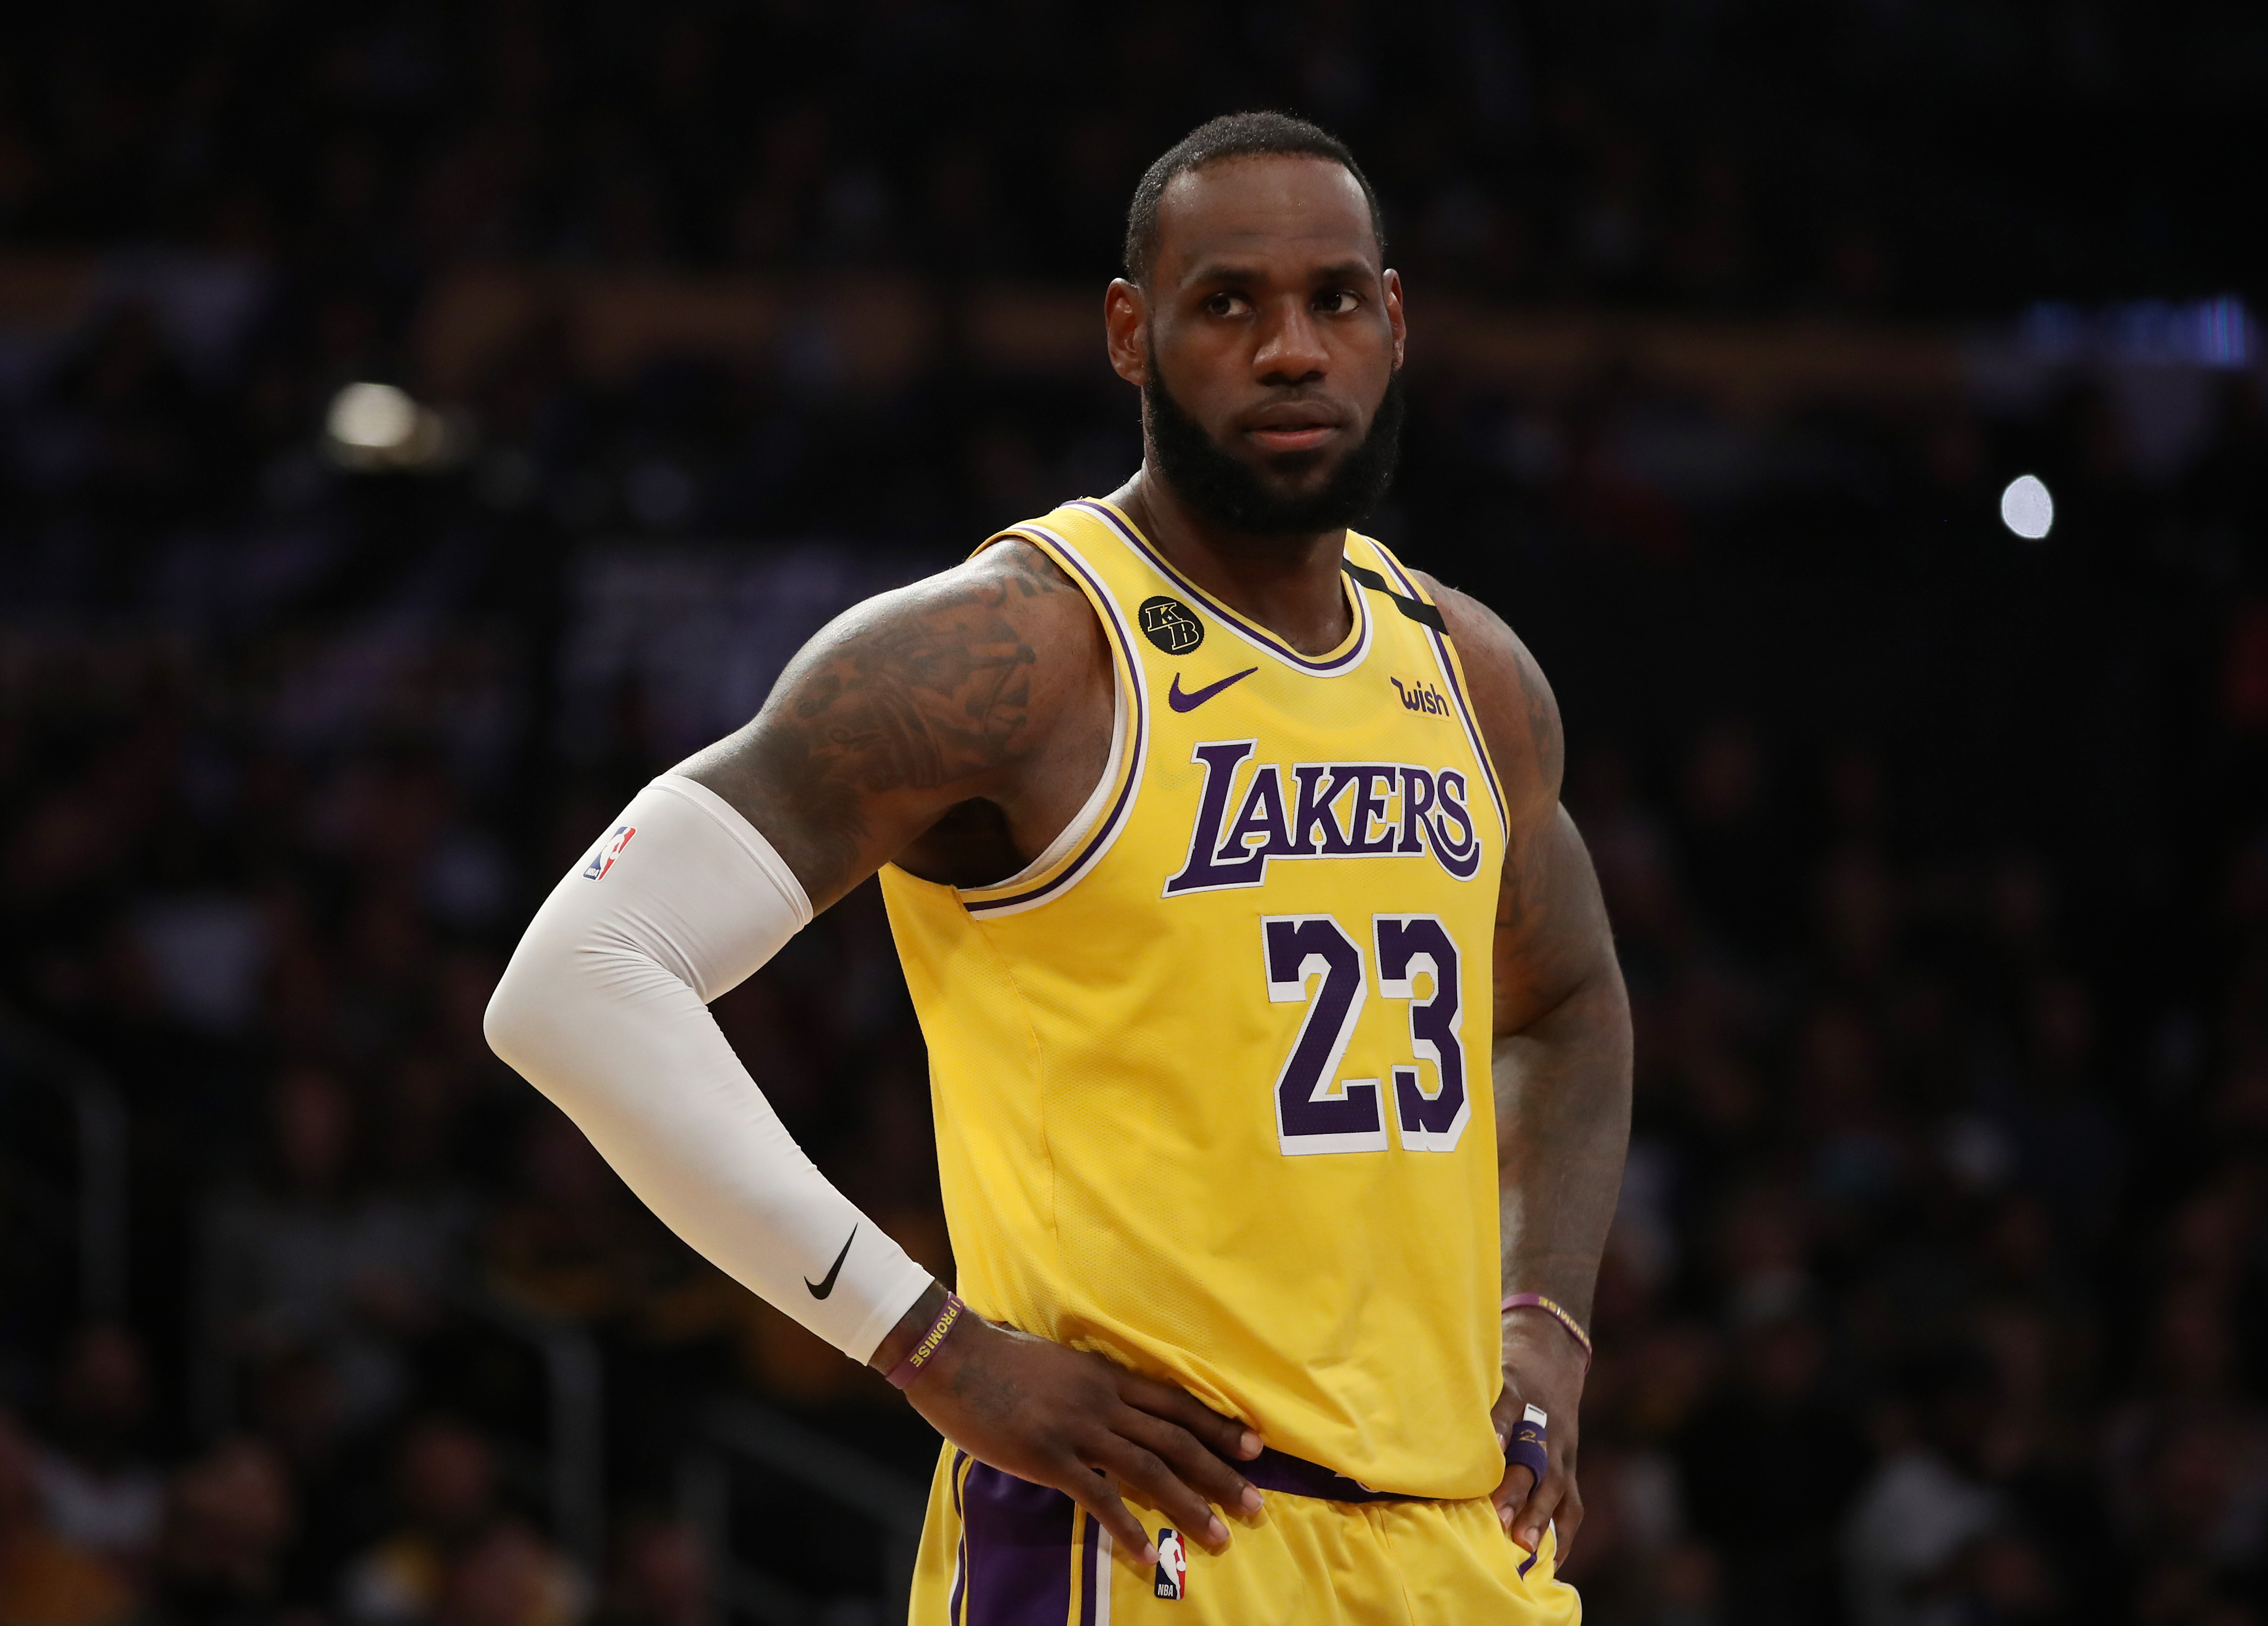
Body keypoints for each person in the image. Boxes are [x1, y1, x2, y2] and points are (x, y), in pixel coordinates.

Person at [485, 110, 1633, 1623]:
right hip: (1143, 1543)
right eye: (1227, 303)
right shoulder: (1017, 648)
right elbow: (576, 979)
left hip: (1450, 1548)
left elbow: (1564, 999)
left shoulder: (1471, 670)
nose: (1291, 349)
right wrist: (927, 1346)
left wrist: (1543, 1319)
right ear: (1126, 333)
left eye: (1334, 299)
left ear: (1394, 321)